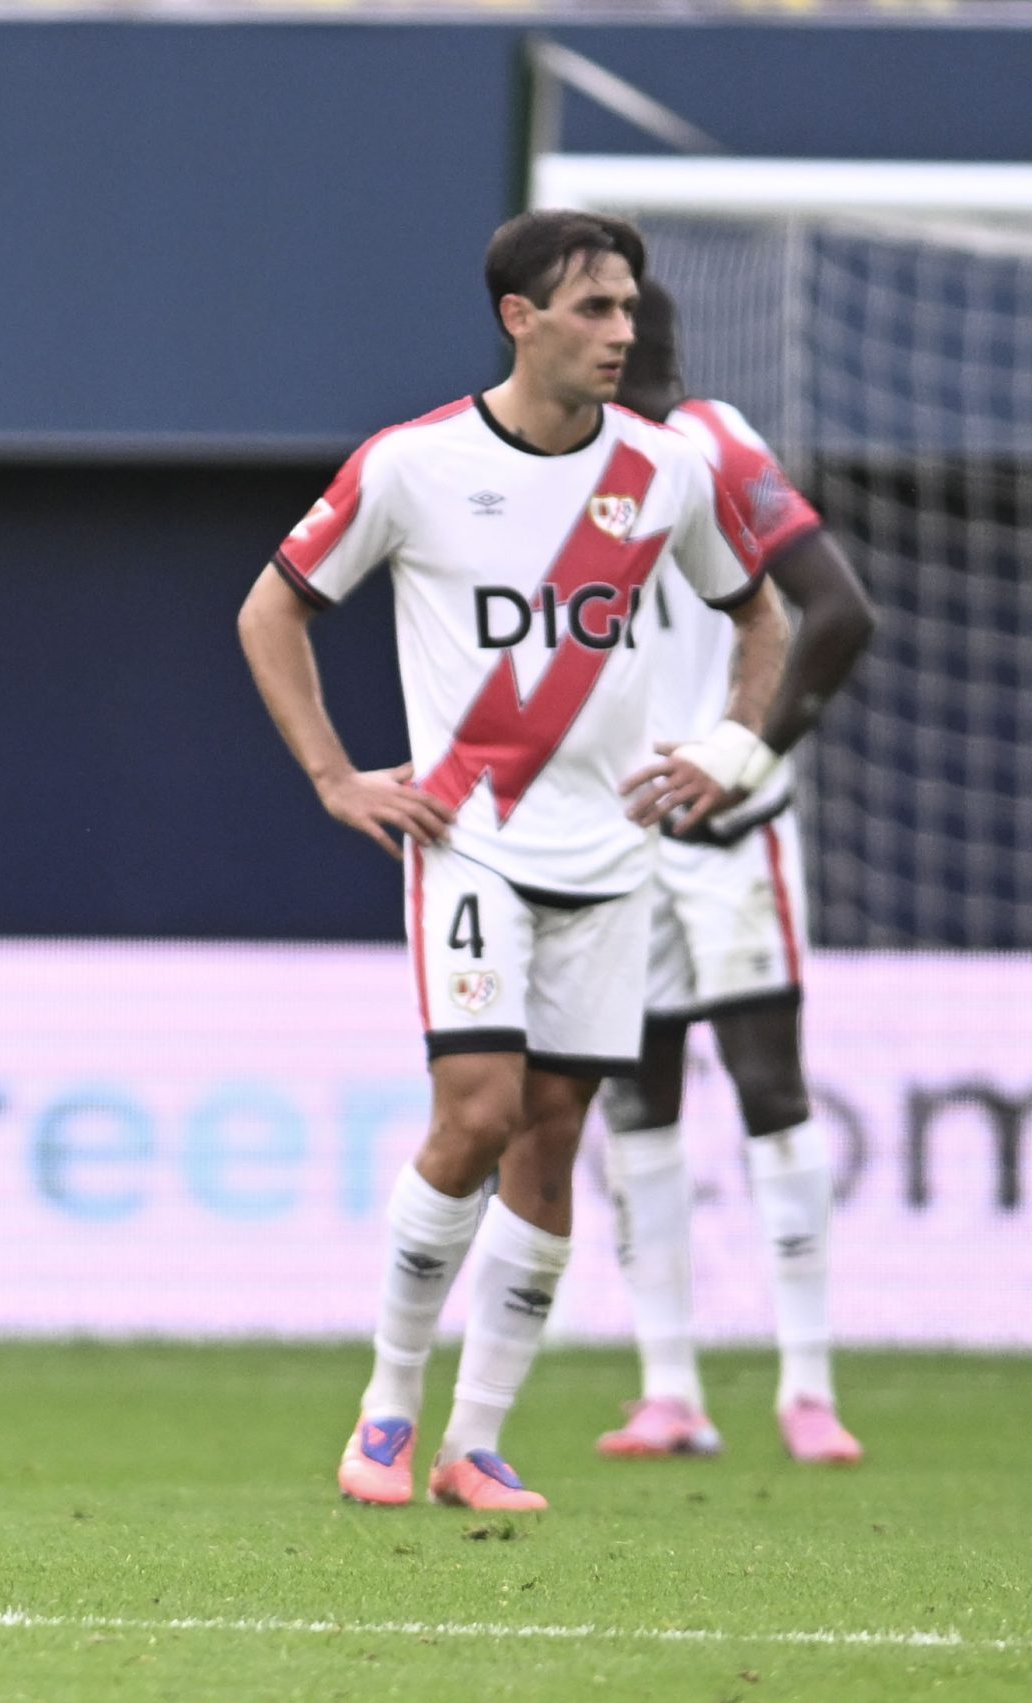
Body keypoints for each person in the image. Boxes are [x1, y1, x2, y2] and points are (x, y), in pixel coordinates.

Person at [238, 210, 790, 1513]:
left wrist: (731, 748)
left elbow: (762, 614)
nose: (622, 331)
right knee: (476, 1113)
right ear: (518, 318)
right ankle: (386, 1408)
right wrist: (334, 774)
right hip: (471, 841)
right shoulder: (413, 465)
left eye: (629, 306)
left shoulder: (665, 472)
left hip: (614, 859)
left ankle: (474, 1441)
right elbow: (272, 607)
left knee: (553, 1134)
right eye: (595, 307)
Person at [595, 282, 877, 1466]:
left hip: (727, 826)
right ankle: (668, 1388)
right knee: (636, 1097)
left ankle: (806, 1385)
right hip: (617, 831)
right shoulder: (560, 463)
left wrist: (745, 751)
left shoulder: (713, 444)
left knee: (767, 1085)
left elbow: (838, 610)